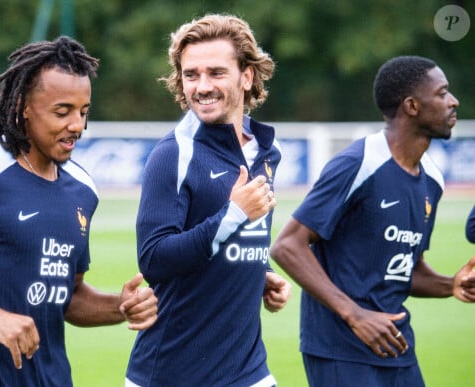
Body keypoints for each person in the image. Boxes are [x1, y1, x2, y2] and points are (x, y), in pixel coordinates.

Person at [0, 36, 158, 386]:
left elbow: (67, 296)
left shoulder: (83, 190)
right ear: (23, 105)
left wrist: (120, 306)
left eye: (84, 112)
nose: (77, 126)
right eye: (62, 111)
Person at [270, 55, 475, 387]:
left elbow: (407, 270)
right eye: (442, 93)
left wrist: (449, 284)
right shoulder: (358, 163)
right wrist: (355, 315)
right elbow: (287, 246)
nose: (454, 101)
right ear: (412, 106)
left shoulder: (432, 181)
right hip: (340, 350)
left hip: (395, 344)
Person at [125, 14, 291, 387]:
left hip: (248, 370)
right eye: (190, 75)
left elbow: (238, 235)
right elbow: (154, 258)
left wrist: (260, 271)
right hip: (173, 373)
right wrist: (232, 215)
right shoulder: (173, 154)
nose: (201, 87)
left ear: (246, 76)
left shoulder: (267, 150)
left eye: (216, 73)